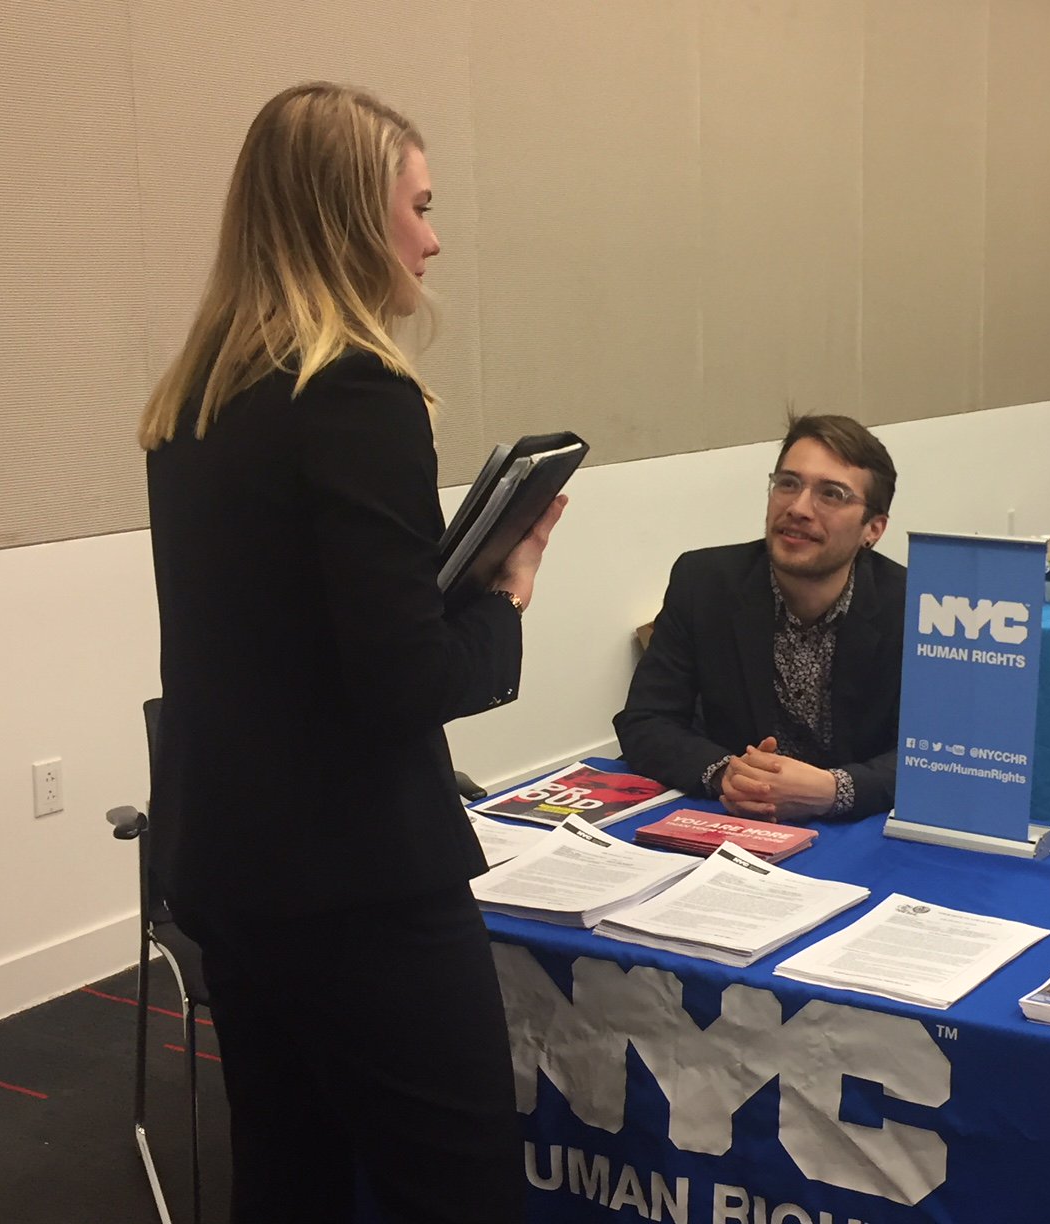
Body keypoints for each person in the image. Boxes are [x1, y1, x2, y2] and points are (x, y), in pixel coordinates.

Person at [140, 83, 562, 1223]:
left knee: (287, 1173)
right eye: (417, 207)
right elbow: (405, 680)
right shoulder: (358, 393)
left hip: (229, 857)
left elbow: (288, 635)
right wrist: (507, 592)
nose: (432, 238)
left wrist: (441, 590)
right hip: (359, 874)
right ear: (345, 219)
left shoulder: (193, 403)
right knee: (457, 1186)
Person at [614, 414, 904, 820]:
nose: (799, 508)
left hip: (859, 831)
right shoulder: (704, 582)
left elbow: (938, 753)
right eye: (788, 484)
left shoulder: (915, 606)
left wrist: (834, 789)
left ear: (872, 528)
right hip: (735, 820)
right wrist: (727, 775)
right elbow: (646, 721)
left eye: (832, 494)